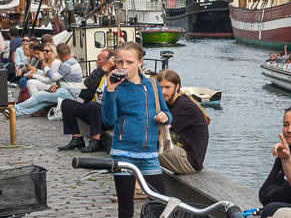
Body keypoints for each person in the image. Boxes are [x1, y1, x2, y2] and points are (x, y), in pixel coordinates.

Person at [101, 41, 171, 218]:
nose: (123, 66)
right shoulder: (115, 88)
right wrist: (110, 90)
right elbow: (108, 120)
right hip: (123, 153)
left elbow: (167, 113)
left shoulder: (152, 86)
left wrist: (164, 116)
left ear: (140, 62)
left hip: (149, 155)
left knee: (160, 203)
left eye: (129, 62)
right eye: (119, 62)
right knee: (125, 207)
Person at [58, 48, 114, 153]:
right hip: (93, 112)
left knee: (94, 105)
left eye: (99, 59)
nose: (96, 62)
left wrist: (106, 97)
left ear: (109, 62)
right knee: (67, 103)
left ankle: (96, 140)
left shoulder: (116, 76)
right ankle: (77, 138)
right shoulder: (99, 74)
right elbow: (88, 83)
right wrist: (103, 69)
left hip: (108, 116)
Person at [156, 69, 210, 174]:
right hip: (178, 151)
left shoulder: (184, 106)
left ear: (177, 87)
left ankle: (139, 185)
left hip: (189, 161)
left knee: (145, 144)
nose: (163, 92)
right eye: (160, 88)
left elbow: (159, 130)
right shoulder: (167, 103)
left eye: (167, 87)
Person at [14, 43, 84, 116]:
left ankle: (15, 109)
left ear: (58, 54)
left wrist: (45, 67)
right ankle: (16, 113)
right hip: (69, 92)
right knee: (42, 103)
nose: (44, 52)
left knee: (39, 96)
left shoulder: (66, 64)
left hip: (68, 93)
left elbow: (53, 77)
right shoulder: (72, 62)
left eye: (47, 51)